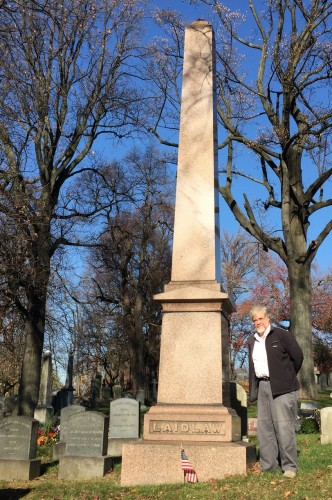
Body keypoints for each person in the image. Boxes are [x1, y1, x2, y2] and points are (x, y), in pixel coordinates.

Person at [248, 305, 304, 479]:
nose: (258, 322)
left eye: (260, 318)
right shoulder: (252, 340)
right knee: (265, 429)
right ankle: (268, 465)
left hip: (282, 387)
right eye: (254, 320)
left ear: (267, 318)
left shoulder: (282, 335)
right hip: (263, 386)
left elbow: (298, 357)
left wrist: (286, 376)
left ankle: (289, 466)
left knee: (283, 426)